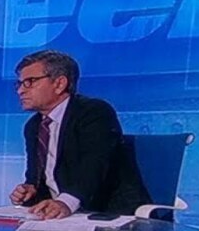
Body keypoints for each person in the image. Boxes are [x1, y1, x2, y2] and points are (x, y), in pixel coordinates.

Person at [8, 50, 148, 219]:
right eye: (19, 84)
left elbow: (95, 166)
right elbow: (37, 178)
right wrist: (29, 191)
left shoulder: (94, 112)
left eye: (29, 82)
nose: (20, 91)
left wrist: (65, 203)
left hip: (107, 214)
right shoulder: (33, 126)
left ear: (59, 84)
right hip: (60, 217)